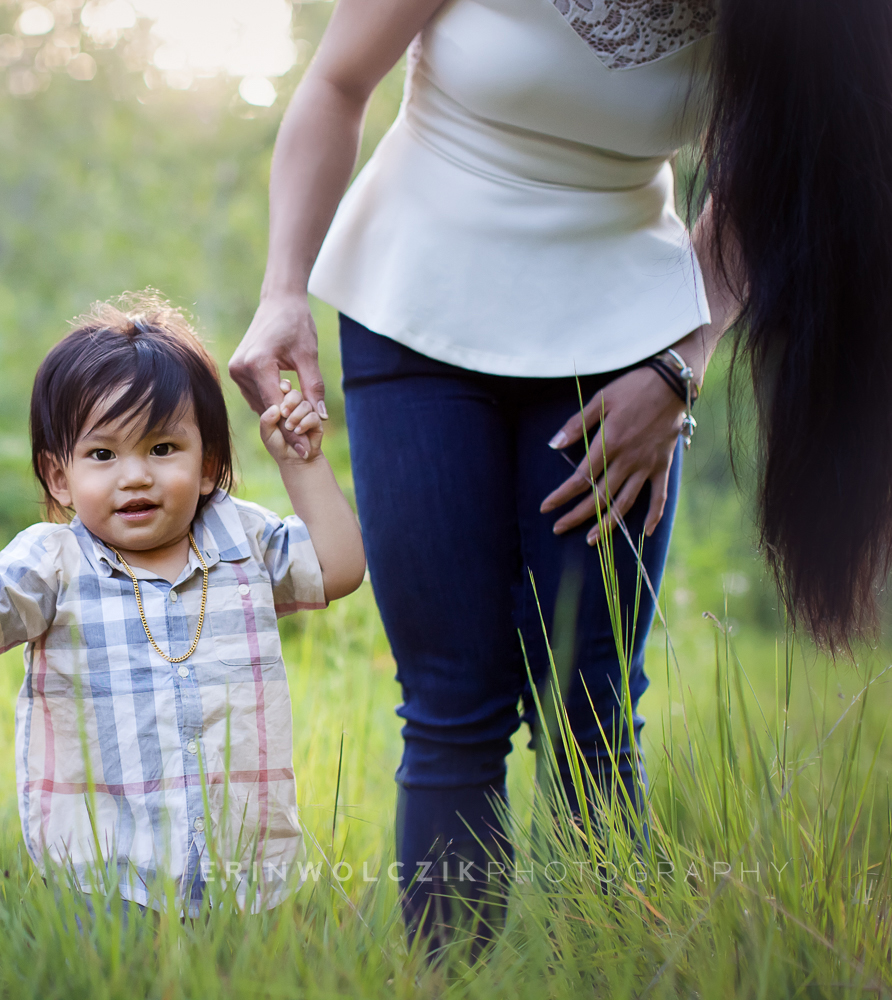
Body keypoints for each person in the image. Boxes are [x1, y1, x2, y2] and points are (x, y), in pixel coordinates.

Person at [230, 0, 892, 947]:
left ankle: (608, 966)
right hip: (414, 301)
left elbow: (776, 163)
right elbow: (338, 83)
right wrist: (283, 289)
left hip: (623, 341)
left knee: (592, 704)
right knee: (454, 698)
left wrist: (681, 364)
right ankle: (447, 976)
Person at [0, 297, 364, 916]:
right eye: (102, 455)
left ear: (207, 464)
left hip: (247, 872)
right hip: (104, 876)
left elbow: (338, 568)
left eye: (161, 449)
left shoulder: (243, 540)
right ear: (59, 478)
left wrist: (303, 464)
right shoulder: (53, 563)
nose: (134, 476)